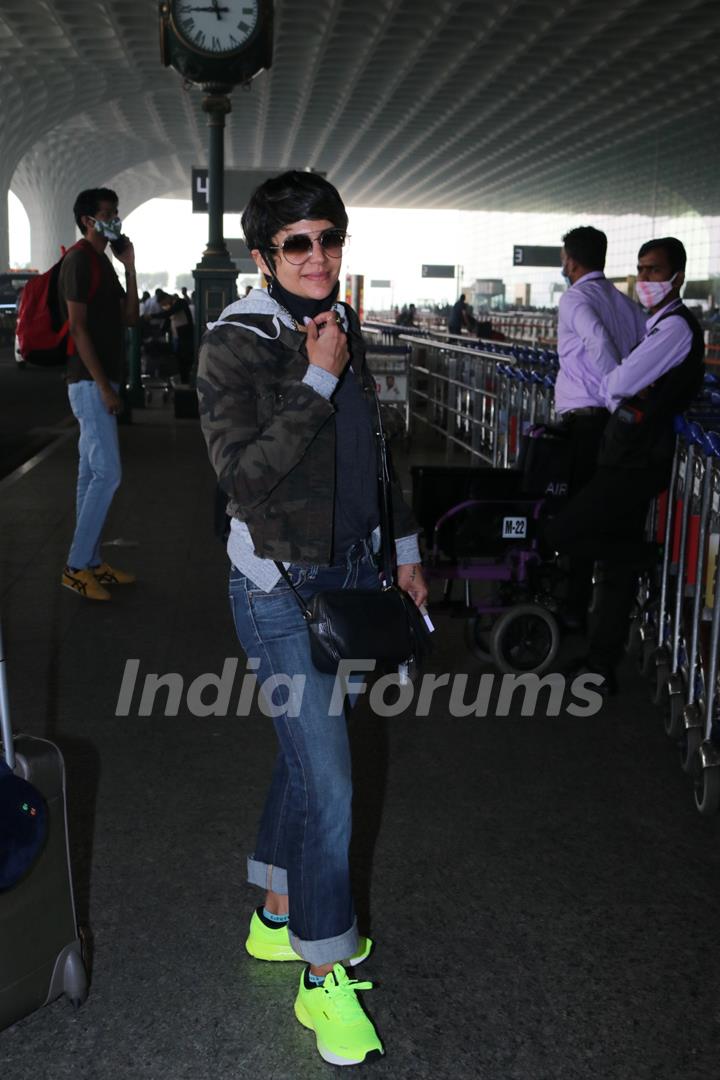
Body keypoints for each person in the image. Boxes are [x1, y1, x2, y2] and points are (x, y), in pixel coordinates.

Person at [196, 171, 427, 1068]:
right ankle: (321, 974)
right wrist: (318, 382)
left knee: (308, 752)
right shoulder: (235, 342)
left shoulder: (341, 324)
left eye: (330, 238)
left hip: (347, 580)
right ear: (264, 257)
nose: (319, 256)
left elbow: (376, 453)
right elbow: (242, 480)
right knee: (330, 780)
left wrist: (404, 545)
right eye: (299, 243)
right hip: (277, 591)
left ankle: (271, 914)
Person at [544, 237, 704, 690]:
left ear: (679, 277)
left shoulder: (675, 329)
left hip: (635, 458)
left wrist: (625, 382)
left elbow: (617, 382)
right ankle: (600, 663)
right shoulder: (652, 322)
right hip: (629, 451)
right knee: (613, 573)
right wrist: (628, 382)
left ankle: (644, 558)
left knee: (564, 530)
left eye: (655, 270)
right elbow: (627, 381)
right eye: (642, 269)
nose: (646, 279)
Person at [59, 187, 138, 601]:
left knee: (90, 474)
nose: (116, 219)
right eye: (109, 213)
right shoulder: (77, 261)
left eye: (116, 211)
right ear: (89, 220)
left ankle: (89, 561)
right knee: (109, 473)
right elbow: (77, 328)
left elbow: (130, 318)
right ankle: (75, 566)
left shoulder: (103, 263)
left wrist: (129, 267)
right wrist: (105, 386)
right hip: (89, 382)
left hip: (100, 381)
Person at [556, 226, 647, 495]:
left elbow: (598, 340)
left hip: (586, 418)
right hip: (616, 420)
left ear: (571, 263)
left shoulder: (574, 298)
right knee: (605, 499)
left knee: (578, 499)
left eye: (564, 259)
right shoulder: (626, 304)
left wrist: (614, 392)